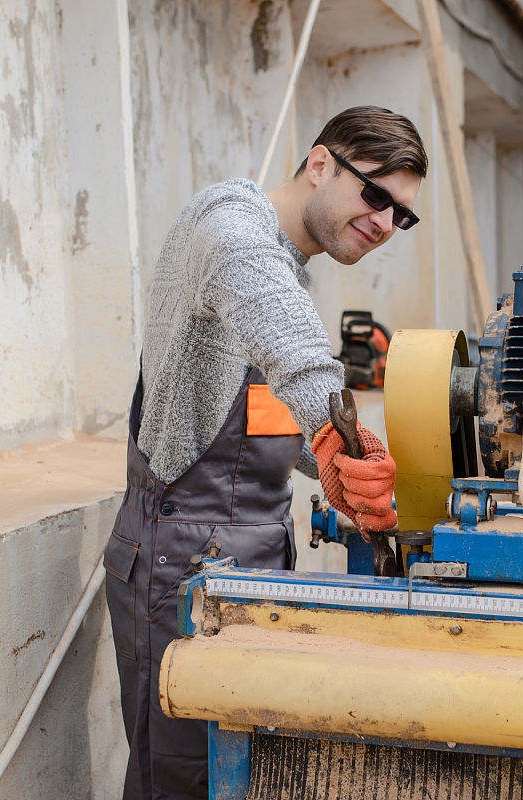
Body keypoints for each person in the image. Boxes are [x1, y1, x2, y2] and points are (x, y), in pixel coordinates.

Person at [102, 106, 427, 800]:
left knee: (241, 783)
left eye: (402, 214)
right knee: (185, 784)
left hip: (247, 567)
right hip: (179, 572)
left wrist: (364, 469)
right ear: (318, 164)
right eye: (376, 195)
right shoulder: (229, 229)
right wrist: (347, 440)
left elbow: (268, 416)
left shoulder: (286, 268)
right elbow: (302, 363)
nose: (383, 223)